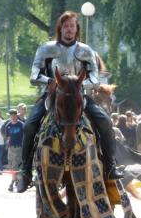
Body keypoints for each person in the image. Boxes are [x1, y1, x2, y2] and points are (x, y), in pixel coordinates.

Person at [17, 11, 122, 193]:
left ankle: (111, 165)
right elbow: (34, 75)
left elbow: (95, 78)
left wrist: (79, 86)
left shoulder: (86, 50)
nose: (69, 29)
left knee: (104, 122)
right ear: (60, 28)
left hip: (80, 96)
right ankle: (25, 172)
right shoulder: (46, 49)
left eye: (72, 26)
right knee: (29, 125)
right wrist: (50, 81)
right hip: (52, 96)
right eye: (65, 26)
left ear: (76, 28)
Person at [5, 109, 24, 192]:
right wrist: (8, 143)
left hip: (19, 148)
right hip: (11, 148)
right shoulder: (8, 126)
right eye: (11, 115)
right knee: (11, 166)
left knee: (16, 166)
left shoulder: (21, 125)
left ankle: (15, 182)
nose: (12, 117)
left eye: (14, 115)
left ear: (17, 115)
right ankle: (14, 182)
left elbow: (24, 137)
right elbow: (8, 137)